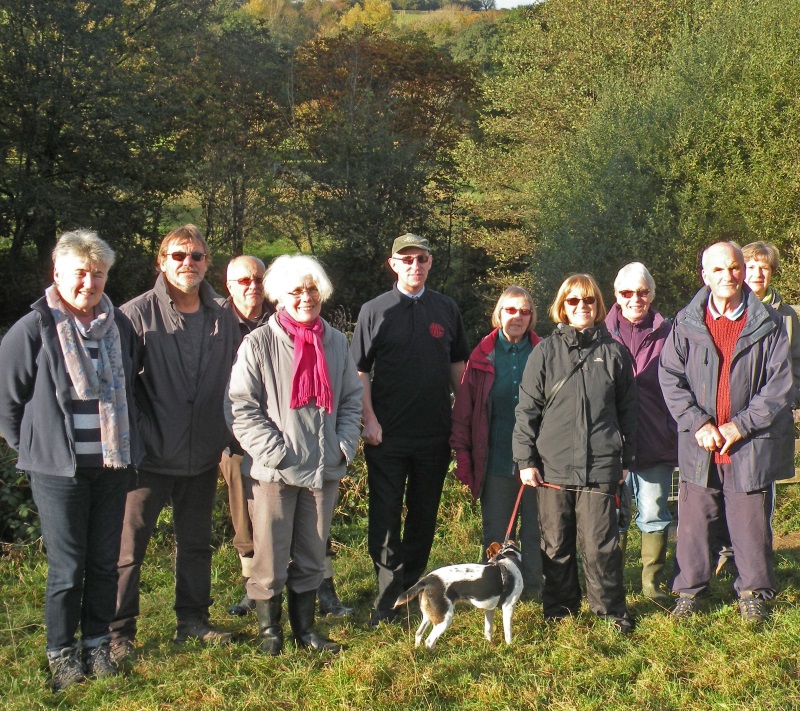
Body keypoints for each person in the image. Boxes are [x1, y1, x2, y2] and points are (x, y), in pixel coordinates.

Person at [0, 230, 142, 691]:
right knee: (67, 566)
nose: (89, 282)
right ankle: (61, 653)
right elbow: (8, 402)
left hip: (111, 465)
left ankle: (97, 644)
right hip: (58, 471)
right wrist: (32, 449)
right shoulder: (33, 329)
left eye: (98, 274)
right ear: (58, 273)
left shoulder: (119, 326)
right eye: (80, 272)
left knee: (104, 562)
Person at [110, 224, 240, 663]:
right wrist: (138, 438)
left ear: (208, 263)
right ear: (162, 262)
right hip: (148, 456)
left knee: (197, 544)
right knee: (128, 551)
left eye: (198, 256)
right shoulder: (133, 315)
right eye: (179, 256)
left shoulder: (224, 318)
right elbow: (118, 391)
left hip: (203, 454)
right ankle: (119, 634)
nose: (189, 264)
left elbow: (237, 386)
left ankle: (193, 622)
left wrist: (227, 435)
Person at [227, 254, 362, 655]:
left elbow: (352, 399)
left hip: (324, 470)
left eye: (312, 289)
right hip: (275, 473)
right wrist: (275, 454)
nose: (306, 297)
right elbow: (242, 406)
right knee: (269, 557)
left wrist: (343, 445)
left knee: (311, 556)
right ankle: (271, 635)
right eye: (296, 291)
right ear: (279, 298)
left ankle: (306, 632)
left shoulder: (336, 341)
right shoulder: (259, 343)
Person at [659, 242, 795, 623]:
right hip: (700, 444)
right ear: (705, 275)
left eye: (734, 268)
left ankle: (753, 592)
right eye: (718, 270)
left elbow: (779, 386)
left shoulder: (767, 323)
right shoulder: (685, 323)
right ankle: (689, 592)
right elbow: (670, 377)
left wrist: (740, 425)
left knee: (751, 526)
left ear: (743, 271)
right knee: (694, 526)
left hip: (747, 444)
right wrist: (698, 423)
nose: (728, 276)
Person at [351, 233, 470, 626]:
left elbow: (458, 367)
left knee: (423, 515)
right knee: (385, 518)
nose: (414, 266)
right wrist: (369, 419)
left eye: (421, 259)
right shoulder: (374, 310)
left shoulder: (446, 308)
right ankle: (386, 602)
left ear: (430, 263)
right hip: (386, 434)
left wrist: (463, 419)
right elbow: (359, 370)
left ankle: (410, 589)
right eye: (406, 260)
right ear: (393, 265)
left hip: (434, 433)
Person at [513, 274, 637, 633]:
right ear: (561, 307)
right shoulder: (545, 352)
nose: (582, 307)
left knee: (601, 546)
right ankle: (560, 609)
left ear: (599, 305)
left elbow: (629, 411)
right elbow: (527, 410)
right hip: (552, 467)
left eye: (589, 301)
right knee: (556, 544)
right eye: (573, 301)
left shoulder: (614, 352)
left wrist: (627, 460)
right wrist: (525, 460)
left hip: (601, 465)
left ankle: (610, 612)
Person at [450, 286, 543, 597]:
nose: (517, 316)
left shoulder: (544, 352)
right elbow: (464, 413)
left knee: (536, 531)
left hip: (539, 461)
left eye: (524, 311)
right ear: (499, 314)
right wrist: (464, 459)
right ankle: (494, 590)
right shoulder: (481, 357)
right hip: (495, 459)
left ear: (532, 317)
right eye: (510, 310)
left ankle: (532, 590)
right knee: (497, 532)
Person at [605, 263, 678, 602]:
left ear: (652, 293)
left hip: (655, 440)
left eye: (643, 291)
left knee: (653, 512)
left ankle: (651, 584)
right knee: (613, 517)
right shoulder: (599, 332)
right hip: (610, 445)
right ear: (616, 295)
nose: (636, 298)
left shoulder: (672, 332)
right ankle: (613, 582)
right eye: (627, 292)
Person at [221, 256, 272, 617]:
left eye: (258, 279)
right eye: (243, 280)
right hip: (232, 439)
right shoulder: (213, 323)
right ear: (229, 286)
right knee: (244, 521)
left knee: (306, 515)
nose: (252, 286)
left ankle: (322, 587)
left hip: (284, 437)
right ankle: (252, 589)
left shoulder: (285, 317)